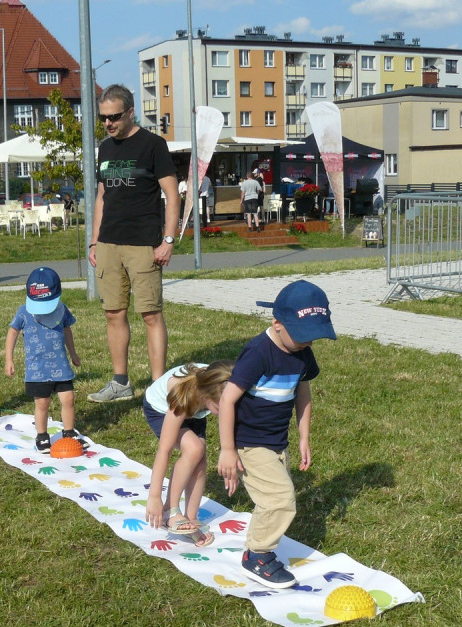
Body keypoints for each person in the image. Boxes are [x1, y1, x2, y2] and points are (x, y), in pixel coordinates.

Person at [217, 280, 337, 589]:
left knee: (271, 500)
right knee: (281, 499)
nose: (307, 344)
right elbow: (228, 399)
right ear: (277, 323)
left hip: (276, 442)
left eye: (313, 337)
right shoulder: (258, 352)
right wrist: (227, 449)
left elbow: (303, 391)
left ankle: (256, 545)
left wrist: (304, 436)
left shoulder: (302, 352)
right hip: (248, 442)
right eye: (302, 336)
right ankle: (256, 556)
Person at [87, 83, 179, 403]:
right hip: (109, 242)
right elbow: (101, 197)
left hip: (144, 243)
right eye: (103, 118)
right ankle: (121, 383)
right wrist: (94, 241)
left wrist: (168, 240)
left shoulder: (153, 145)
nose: (108, 123)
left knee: (150, 314)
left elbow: (172, 193)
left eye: (114, 117)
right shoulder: (105, 148)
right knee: (114, 312)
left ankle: (156, 388)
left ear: (129, 112)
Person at [144, 361, 233, 547]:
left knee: (200, 459)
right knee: (194, 448)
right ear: (208, 398)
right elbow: (164, 450)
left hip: (195, 410)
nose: (228, 412)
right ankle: (170, 510)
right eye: (222, 408)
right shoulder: (184, 395)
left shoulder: (223, 387)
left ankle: (190, 518)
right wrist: (154, 496)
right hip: (161, 409)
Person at [5, 267, 84, 454]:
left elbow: (67, 330)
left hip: (61, 366)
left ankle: (69, 432)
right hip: (37, 369)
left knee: (69, 398)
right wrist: (9, 358)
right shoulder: (24, 312)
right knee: (42, 403)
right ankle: (42, 435)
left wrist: (73, 353)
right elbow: (13, 332)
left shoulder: (62, 309)